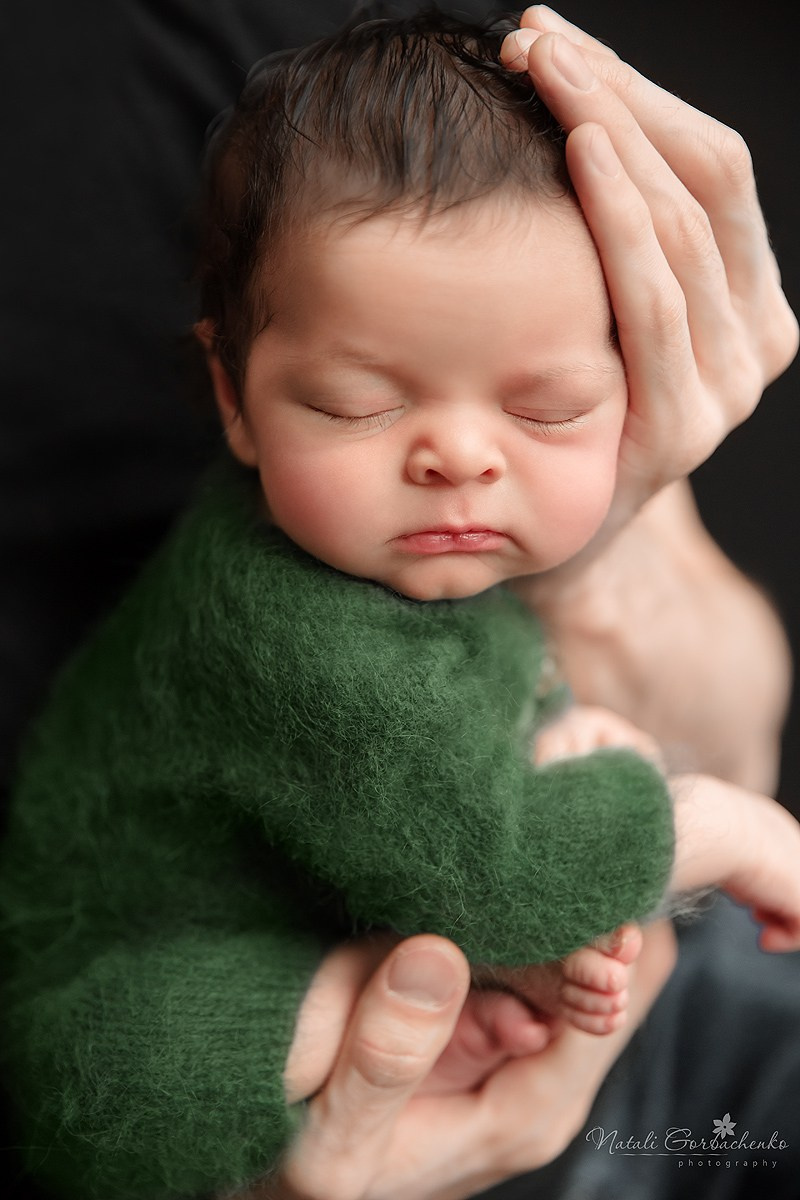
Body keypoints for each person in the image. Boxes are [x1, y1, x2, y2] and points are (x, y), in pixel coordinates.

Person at [2, 10, 799, 1200]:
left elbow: (484, 726)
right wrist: (734, 830)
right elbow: (492, 868)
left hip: (415, 911)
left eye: (545, 411)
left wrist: (567, 729)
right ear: (231, 393)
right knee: (115, 1065)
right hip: (135, 986)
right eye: (354, 405)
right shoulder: (287, 631)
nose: (459, 459)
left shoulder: (408, 544)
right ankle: (364, 1000)